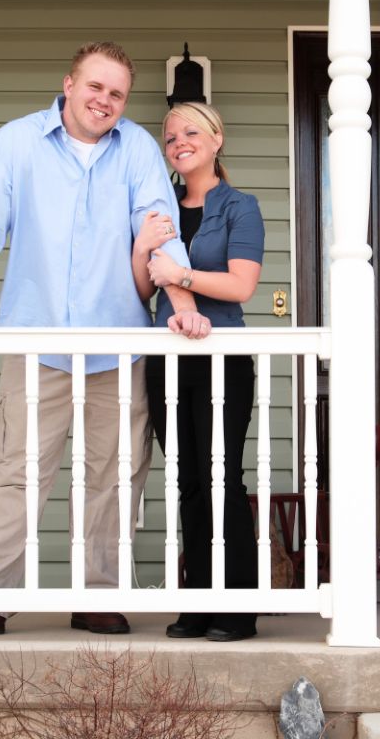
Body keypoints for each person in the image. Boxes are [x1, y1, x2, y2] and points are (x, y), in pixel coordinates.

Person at [0, 42, 212, 639]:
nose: (105, 101)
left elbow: (162, 235)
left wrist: (184, 309)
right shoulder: (16, 144)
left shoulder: (140, 151)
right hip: (35, 343)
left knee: (115, 478)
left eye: (117, 94)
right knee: (16, 475)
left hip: (118, 348)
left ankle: (97, 595)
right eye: (96, 87)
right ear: (68, 84)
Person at [134, 102, 264, 642]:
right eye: (169, 137)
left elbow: (241, 287)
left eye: (191, 132)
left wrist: (180, 272)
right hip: (168, 362)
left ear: (216, 141)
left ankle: (236, 608)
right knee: (187, 481)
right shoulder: (156, 210)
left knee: (222, 477)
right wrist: (145, 252)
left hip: (222, 359)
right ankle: (198, 601)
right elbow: (143, 292)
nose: (179, 142)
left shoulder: (240, 206)